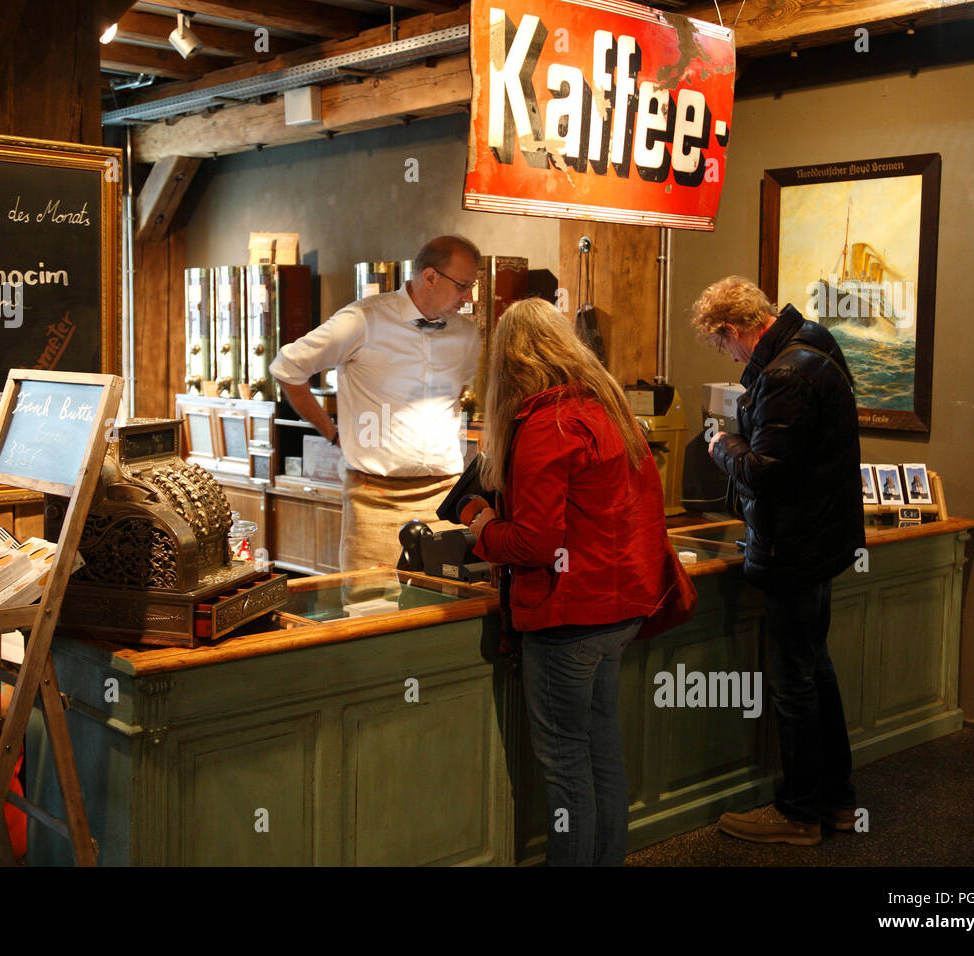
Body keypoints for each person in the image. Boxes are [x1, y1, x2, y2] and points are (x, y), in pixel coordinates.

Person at [468, 298, 679, 866]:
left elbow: (535, 544)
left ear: (508, 362)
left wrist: (483, 526)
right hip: (620, 608)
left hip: (570, 617)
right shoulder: (606, 408)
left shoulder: (544, 424)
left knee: (565, 768)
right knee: (601, 752)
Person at [692, 275, 865, 846]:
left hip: (793, 546)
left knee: (795, 681)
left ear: (732, 329)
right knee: (816, 668)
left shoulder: (785, 373)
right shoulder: (813, 343)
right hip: (821, 540)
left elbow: (768, 472)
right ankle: (837, 802)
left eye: (722, 345)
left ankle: (798, 814)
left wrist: (723, 447)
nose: (728, 354)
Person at [270, 236, 481, 571]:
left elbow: (457, 395)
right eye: (463, 285)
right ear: (430, 277)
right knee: (370, 611)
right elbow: (288, 368)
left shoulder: (466, 336)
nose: (468, 296)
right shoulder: (363, 320)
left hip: (443, 499)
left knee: (441, 614)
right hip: (374, 500)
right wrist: (332, 432)